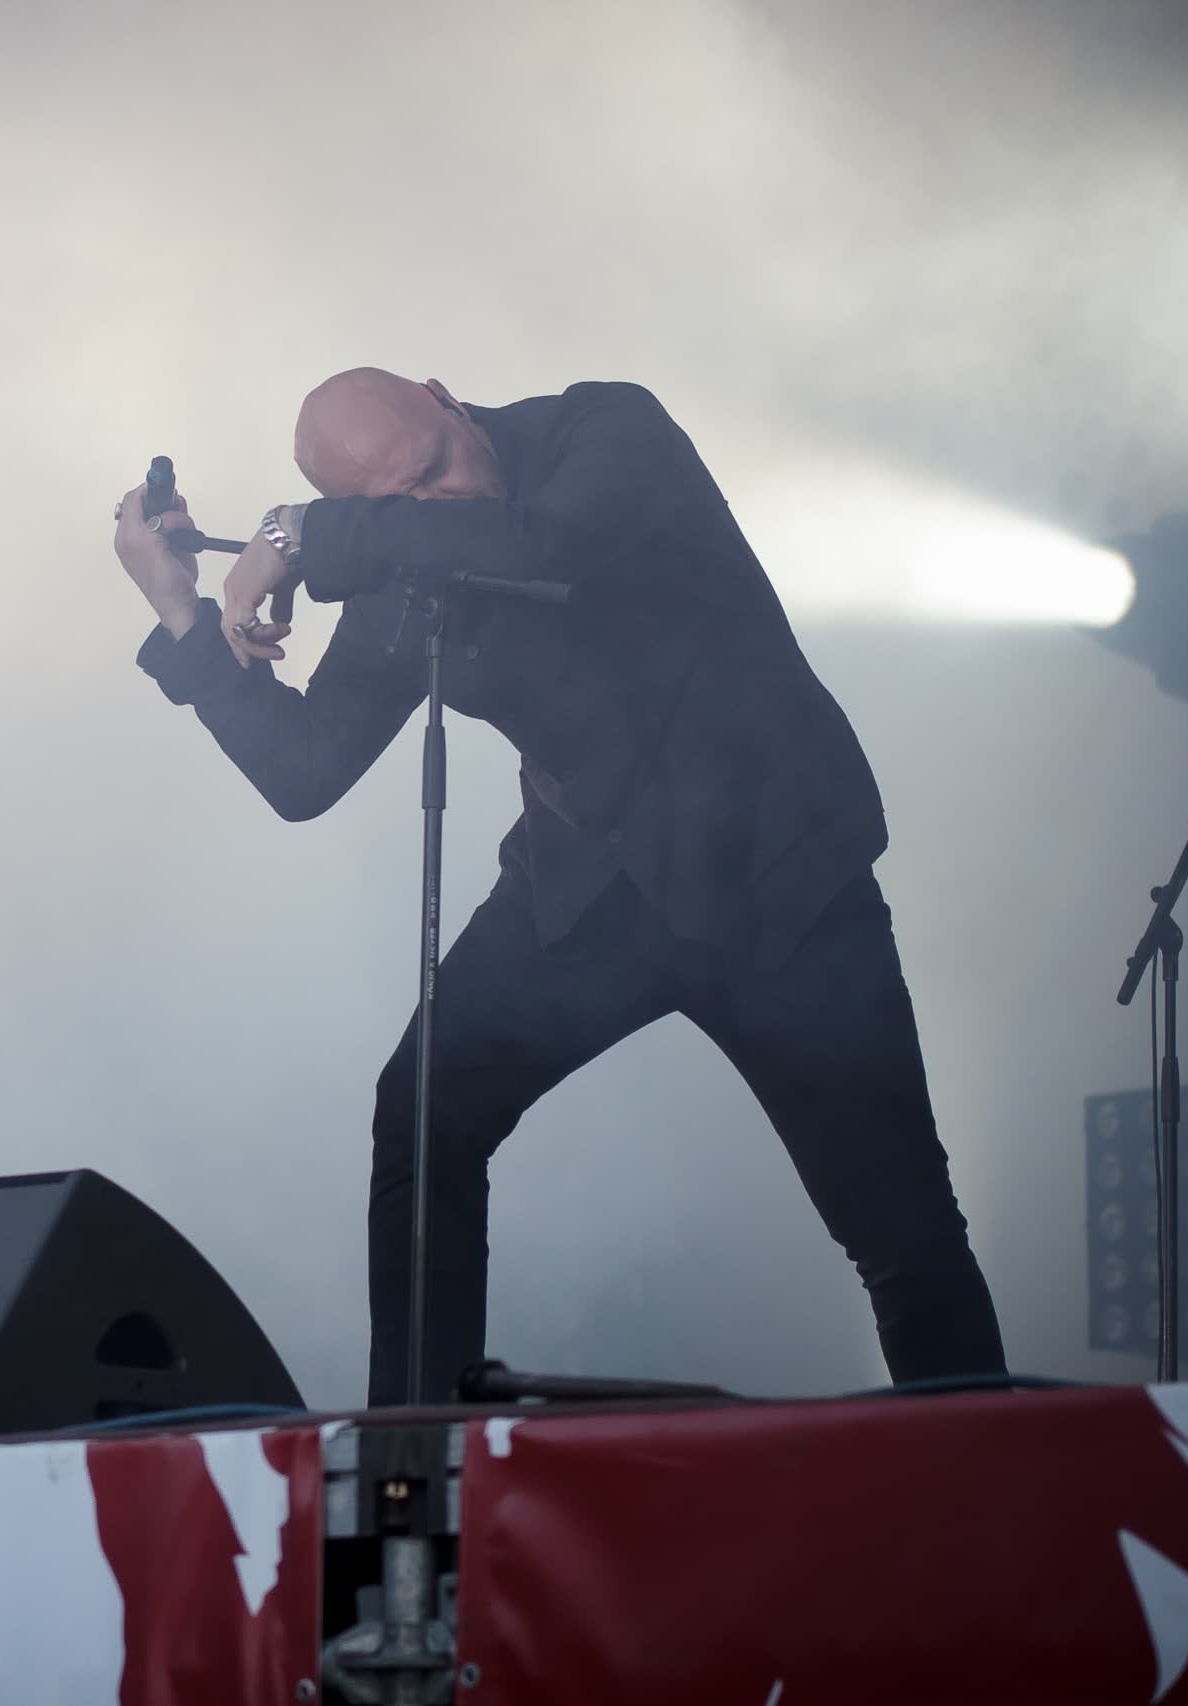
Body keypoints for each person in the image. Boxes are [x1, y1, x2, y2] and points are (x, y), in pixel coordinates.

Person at [110, 368, 1007, 1404]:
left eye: (438, 467)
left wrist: (308, 537)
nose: (438, 505)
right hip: (591, 891)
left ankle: (982, 1472)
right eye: (399, 504)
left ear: (447, 398)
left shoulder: (602, 431)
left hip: (778, 880)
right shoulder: (402, 561)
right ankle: (421, 1452)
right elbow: (306, 768)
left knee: (901, 1232)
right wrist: (184, 615)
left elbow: (548, 549)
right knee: (420, 1107)